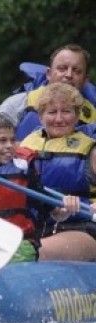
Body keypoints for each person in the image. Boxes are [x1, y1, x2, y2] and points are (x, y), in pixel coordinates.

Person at [20, 82, 96, 261]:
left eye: (66, 111)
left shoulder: (91, 151)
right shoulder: (24, 148)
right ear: (40, 117)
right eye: (52, 112)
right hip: (35, 228)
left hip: (81, 228)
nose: (59, 119)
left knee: (31, 251)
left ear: (77, 116)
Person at [0, 114, 48, 262]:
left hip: (19, 245)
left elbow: (45, 206)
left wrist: (64, 208)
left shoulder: (24, 168)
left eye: (12, 140)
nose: (10, 145)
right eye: (2, 140)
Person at [0, 44, 96, 141]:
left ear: (85, 80)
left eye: (77, 71)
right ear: (48, 74)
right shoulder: (17, 104)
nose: (69, 75)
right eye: (62, 68)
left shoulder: (93, 118)